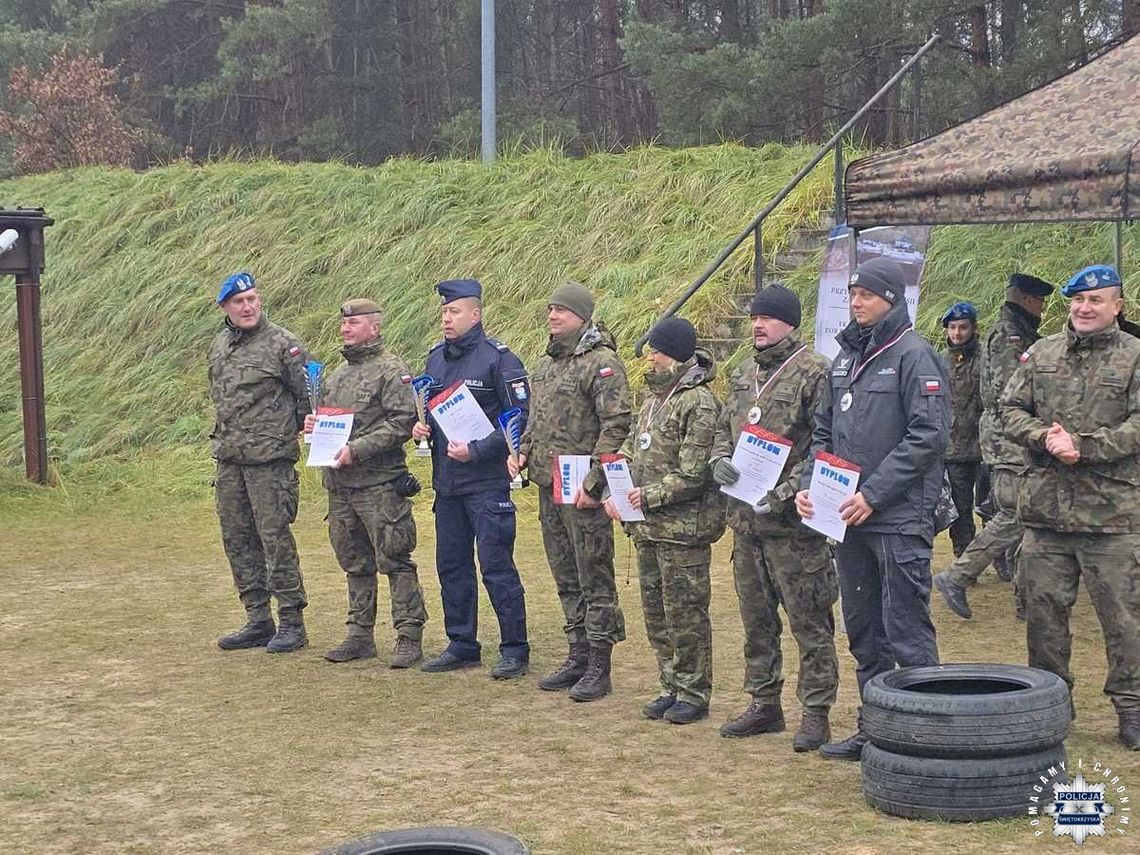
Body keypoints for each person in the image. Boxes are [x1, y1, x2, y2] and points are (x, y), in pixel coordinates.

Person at [795, 256, 950, 761]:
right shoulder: (844, 358)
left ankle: (924, 732)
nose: (855, 301)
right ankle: (876, 726)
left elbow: (926, 437)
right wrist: (812, 485)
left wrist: (874, 494)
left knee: (905, 628)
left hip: (897, 517)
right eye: (852, 293)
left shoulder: (913, 355)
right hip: (845, 516)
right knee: (864, 628)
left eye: (866, 294)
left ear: (890, 298)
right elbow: (823, 431)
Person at [1002, 264, 1140, 751]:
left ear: (1117, 306)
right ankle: (1051, 705)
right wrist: (1044, 437)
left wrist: (1085, 446)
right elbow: (1009, 411)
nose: (1084, 308)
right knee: (1044, 619)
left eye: (1096, 300)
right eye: (1078, 300)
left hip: (1113, 516)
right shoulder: (1041, 353)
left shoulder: (1135, 356)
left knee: (1125, 621)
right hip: (1047, 515)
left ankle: (1131, 707)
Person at [710, 285, 839, 750]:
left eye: (768, 318)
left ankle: (816, 711)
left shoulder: (815, 372)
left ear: (791, 322)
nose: (758, 325)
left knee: (810, 621)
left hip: (794, 527)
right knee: (756, 620)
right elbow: (725, 430)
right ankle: (765, 702)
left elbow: (825, 446)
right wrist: (719, 459)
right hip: (746, 524)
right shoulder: (744, 372)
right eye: (754, 318)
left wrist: (785, 493)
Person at [511, 281, 631, 702]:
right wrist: (523, 452)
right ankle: (577, 653)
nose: (552, 316)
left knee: (594, 573)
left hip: (583, 489)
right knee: (565, 574)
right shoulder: (546, 366)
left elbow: (616, 425)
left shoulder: (602, 363)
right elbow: (535, 418)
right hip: (550, 487)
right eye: (550, 309)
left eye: (561, 310)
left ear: (582, 316)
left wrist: (596, 482)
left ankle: (600, 663)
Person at [604, 317, 723, 725]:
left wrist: (645, 496)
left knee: (685, 613)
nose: (649, 357)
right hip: (648, 528)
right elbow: (634, 444)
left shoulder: (700, 403)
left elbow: (694, 473)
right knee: (656, 612)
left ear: (673, 353)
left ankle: (693, 691)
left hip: (682, 530)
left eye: (655, 350)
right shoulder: (654, 398)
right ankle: (670, 684)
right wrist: (617, 474)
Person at [412, 278, 531, 679]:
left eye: (455, 311)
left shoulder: (500, 360)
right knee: (452, 566)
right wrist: (421, 429)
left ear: (476, 314)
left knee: (496, 567)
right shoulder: (435, 360)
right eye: (444, 312)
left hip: (486, 484)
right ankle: (462, 643)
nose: (447, 318)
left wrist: (478, 451)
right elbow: (430, 411)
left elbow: (519, 423)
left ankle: (515, 648)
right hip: (447, 484)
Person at [306, 299, 428, 669]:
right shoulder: (338, 375)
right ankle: (360, 634)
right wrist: (314, 427)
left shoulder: (391, 370)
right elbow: (329, 418)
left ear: (374, 327)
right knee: (354, 561)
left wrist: (356, 450)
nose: (346, 329)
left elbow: (402, 422)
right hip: (341, 486)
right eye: (344, 324)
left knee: (394, 558)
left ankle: (409, 635)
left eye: (354, 323)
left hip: (379, 484)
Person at [934, 273, 1054, 620]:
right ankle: (958, 575)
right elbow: (1007, 393)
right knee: (1014, 514)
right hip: (1009, 439)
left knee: (1025, 516)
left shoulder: (1018, 334)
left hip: (1012, 438)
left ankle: (1025, 597)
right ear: (1028, 301)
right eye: (1040, 302)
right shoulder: (1009, 337)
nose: (1043, 309)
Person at [208, 272, 311, 653]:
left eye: (252, 298)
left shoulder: (283, 344)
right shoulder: (220, 345)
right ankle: (257, 618)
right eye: (239, 302)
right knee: (238, 539)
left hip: (270, 463)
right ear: (225, 308)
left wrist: (282, 435)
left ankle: (292, 622)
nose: (248, 306)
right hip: (230, 460)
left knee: (275, 540)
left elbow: (309, 400)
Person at [940, 302, 985, 558]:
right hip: (955, 449)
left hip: (987, 447)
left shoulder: (986, 358)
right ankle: (964, 558)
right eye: (953, 327)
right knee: (961, 507)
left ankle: (1001, 558)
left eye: (963, 327)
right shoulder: (940, 361)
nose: (957, 333)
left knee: (994, 507)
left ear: (973, 328)